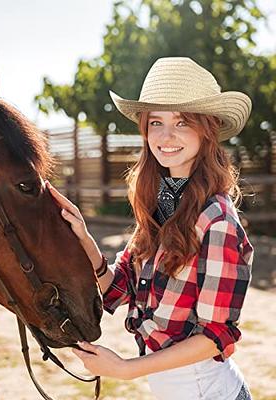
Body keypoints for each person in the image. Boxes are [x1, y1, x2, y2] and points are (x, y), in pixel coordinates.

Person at [47, 57, 253, 400]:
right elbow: (119, 287)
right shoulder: (159, 206)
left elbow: (216, 335)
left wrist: (126, 369)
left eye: (182, 122)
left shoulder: (218, 222)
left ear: (207, 131)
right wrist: (82, 236)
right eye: (156, 122)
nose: (166, 136)